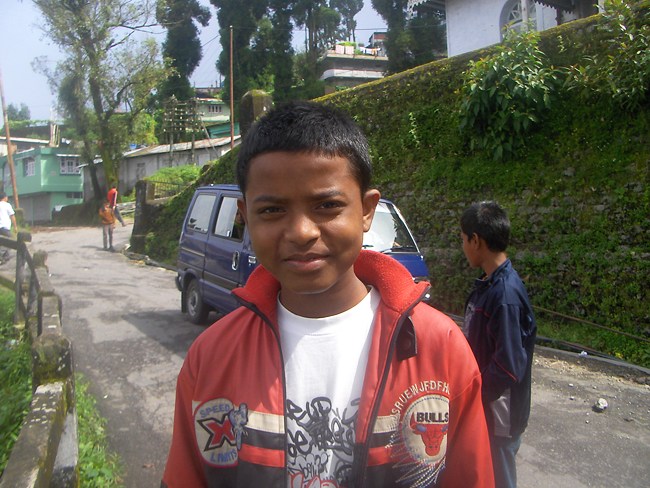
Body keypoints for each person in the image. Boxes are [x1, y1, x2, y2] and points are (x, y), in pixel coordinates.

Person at [162, 101, 494, 488]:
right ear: (245, 216)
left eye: (327, 205)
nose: (302, 232)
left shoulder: (440, 347)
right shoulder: (211, 357)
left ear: (367, 211)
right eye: (272, 210)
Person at [460, 201, 537, 488]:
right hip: (489, 409)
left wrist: (472, 395)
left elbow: (508, 366)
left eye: (463, 239)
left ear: (475, 240)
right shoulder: (489, 283)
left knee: (499, 478)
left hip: (499, 417)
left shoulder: (504, 295)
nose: (463, 247)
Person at [0, 191, 18, 263]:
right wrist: (15, 226)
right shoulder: (7, 205)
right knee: (9, 242)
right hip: (5, 227)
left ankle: (5, 258)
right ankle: (2, 255)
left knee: (2, 242)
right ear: (5, 197)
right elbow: (12, 216)